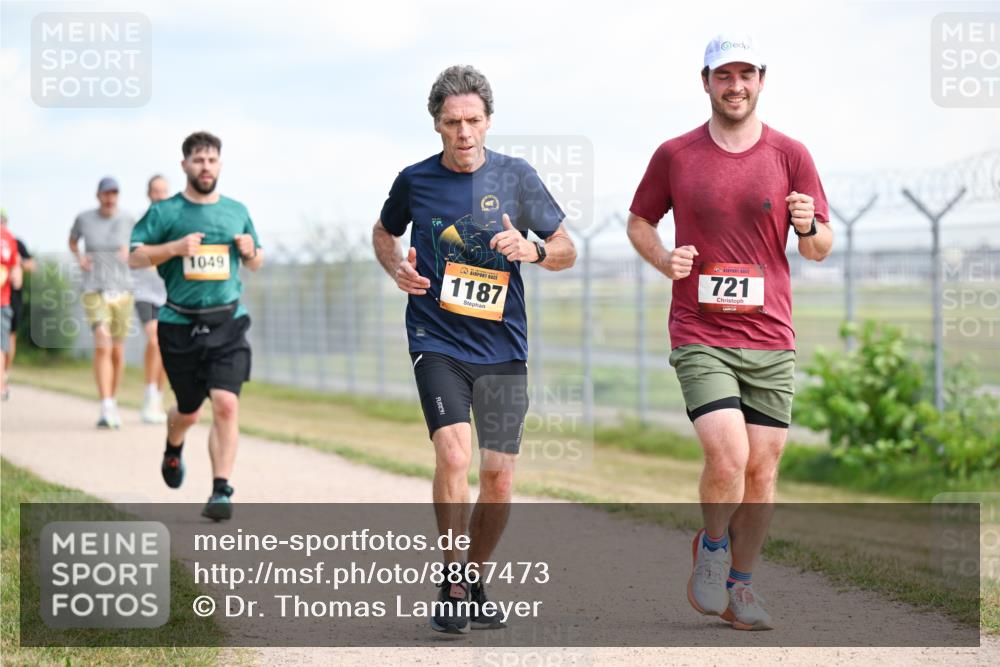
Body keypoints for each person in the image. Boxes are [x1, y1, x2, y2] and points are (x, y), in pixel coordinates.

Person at [626, 34, 833, 631]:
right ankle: (712, 546)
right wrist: (664, 260)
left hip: (771, 335)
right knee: (730, 454)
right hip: (700, 329)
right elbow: (641, 220)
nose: (735, 85)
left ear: (761, 80)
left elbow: (819, 248)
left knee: (763, 470)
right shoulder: (676, 154)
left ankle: (741, 589)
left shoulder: (791, 154)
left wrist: (809, 224)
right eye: (724, 76)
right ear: (707, 82)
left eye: (746, 74)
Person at [372, 65, 576, 634]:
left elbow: (566, 249)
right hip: (436, 338)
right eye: (452, 122)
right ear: (436, 124)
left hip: (504, 347)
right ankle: (452, 579)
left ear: (489, 121)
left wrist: (533, 251)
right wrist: (396, 269)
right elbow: (384, 232)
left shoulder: (518, 177)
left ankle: (474, 577)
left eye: (473, 121)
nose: (464, 133)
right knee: (455, 457)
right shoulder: (415, 181)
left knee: (500, 478)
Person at [129, 131, 263, 521]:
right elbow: (135, 257)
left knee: (225, 403)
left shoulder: (236, 210)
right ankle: (173, 446)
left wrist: (250, 252)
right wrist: (173, 248)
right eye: (198, 160)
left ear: (220, 164)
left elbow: (256, 260)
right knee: (189, 412)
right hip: (178, 324)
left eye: (212, 160)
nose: (206, 167)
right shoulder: (165, 212)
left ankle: (221, 488)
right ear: (185, 165)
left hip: (228, 322)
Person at [69, 177, 135, 428]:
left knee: (118, 350)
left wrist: (132, 252)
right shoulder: (84, 218)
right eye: (106, 194)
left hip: (123, 289)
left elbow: (142, 244)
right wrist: (79, 258)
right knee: (103, 343)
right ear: (98, 196)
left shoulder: (128, 219)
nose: (110, 198)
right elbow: (73, 240)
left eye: (114, 193)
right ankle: (106, 404)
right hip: (94, 287)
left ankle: (113, 399)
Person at [133, 175, 171, 423]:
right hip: (144, 292)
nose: (159, 196)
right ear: (148, 194)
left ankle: (158, 397)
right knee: (155, 340)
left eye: (163, 192)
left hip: (168, 294)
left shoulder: (172, 225)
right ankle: (149, 392)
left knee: (168, 348)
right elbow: (135, 256)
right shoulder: (142, 224)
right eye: (155, 191)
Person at [1, 209, 34, 398]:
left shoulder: (15, 242)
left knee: (9, 337)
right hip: (4, 298)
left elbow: (32, 265)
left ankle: (5, 375)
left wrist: (19, 264)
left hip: (11, 298)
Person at [1, 214, 23, 401]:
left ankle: (3, 381)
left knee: (4, 344)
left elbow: (17, 271)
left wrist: (15, 272)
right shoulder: (9, 239)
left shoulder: (10, 239)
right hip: (4, 301)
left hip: (4, 300)